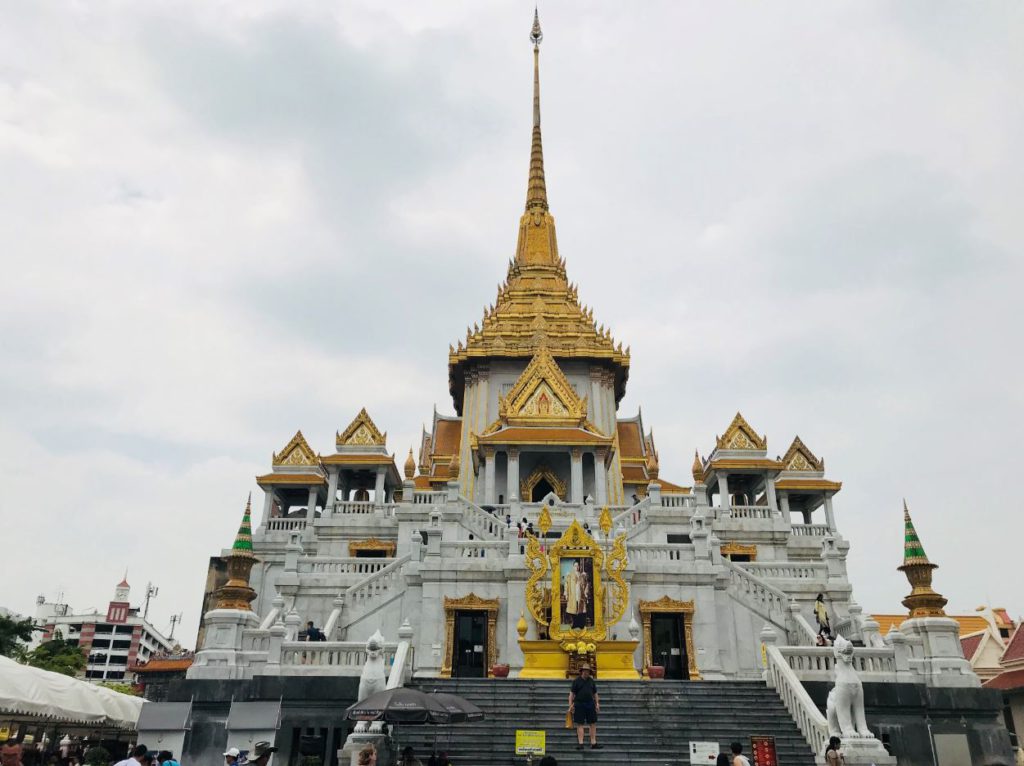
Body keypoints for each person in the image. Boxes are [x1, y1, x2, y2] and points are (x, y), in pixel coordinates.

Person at [568, 663, 602, 750]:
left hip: (590, 703)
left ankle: (593, 742)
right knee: (580, 724)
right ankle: (581, 743)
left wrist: (597, 703)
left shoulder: (591, 681)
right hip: (579, 704)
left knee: (593, 723)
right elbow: (571, 694)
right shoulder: (576, 681)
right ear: (582, 671)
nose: (586, 672)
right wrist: (570, 705)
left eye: (588, 671)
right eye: (585, 671)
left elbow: (595, 693)